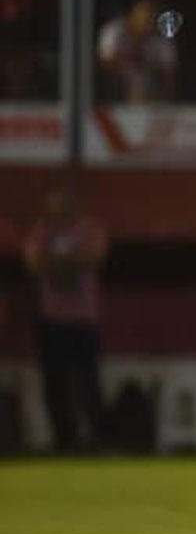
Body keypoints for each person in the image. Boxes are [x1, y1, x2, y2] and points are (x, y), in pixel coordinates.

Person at [23, 189, 110, 451]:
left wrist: (56, 264)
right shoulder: (41, 232)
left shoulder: (90, 230)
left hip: (84, 320)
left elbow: (91, 258)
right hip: (52, 319)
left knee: (89, 381)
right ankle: (65, 440)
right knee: (55, 383)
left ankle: (100, 438)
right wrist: (68, 264)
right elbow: (34, 262)